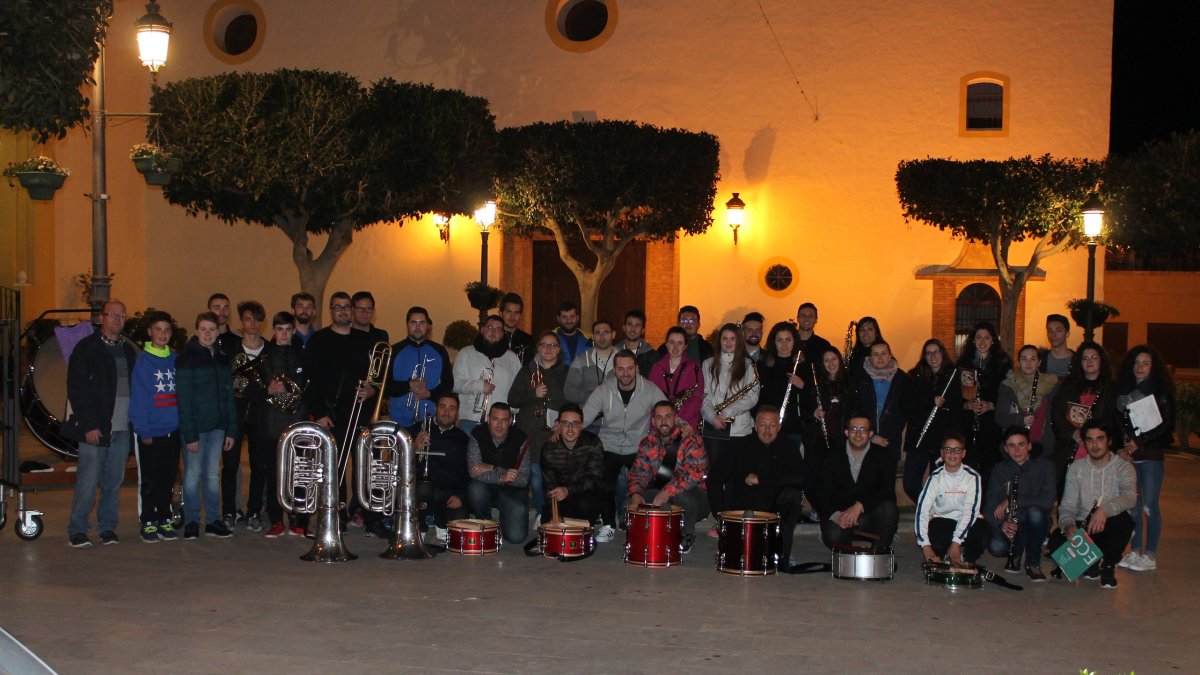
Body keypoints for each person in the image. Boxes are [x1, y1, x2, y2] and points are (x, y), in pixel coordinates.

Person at [301, 291, 383, 534]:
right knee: (333, 468)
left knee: (365, 467)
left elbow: (378, 378)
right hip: (330, 413)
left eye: (347, 307)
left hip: (360, 411)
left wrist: (372, 391)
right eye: (338, 307)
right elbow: (309, 381)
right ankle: (335, 513)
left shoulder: (365, 340)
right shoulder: (318, 340)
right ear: (330, 311)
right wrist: (319, 412)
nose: (343, 311)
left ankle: (370, 516)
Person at [63, 300, 139, 548]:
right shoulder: (86, 349)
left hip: (121, 427)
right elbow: (78, 389)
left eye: (122, 314)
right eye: (112, 314)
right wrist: (89, 425)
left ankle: (107, 527)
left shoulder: (128, 350)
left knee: (113, 481)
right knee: (88, 480)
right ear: (101, 318)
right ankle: (78, 529)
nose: (118, 319)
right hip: (95, 427)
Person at [582, 350, 667, 541]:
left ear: (637, 368)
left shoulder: (650, 389)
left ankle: (643, 523)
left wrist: (683, 427)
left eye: (630, 368)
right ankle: (609, 525)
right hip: (609, 445)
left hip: (638, 446)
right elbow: (584, 418)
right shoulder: (604, 390)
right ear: (614, 370)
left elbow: (666, 414)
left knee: (649, 483)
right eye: (621, 369)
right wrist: (565, 426)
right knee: (602, 481)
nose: (626, 373)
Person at [707, 407, 805, 567]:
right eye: (763, 425)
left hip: (775, 512)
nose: (767, 430)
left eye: (772, 425)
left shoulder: (788, 446)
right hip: (744, 512)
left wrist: (761, 479)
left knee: (793, 494)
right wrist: (722, 515)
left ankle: (782, 552)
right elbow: (714, 478)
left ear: (779, 427)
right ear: (755, 426)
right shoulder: (740, 446)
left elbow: (799, 477)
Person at [1050, 419, 1136, 589]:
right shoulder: (1076, 468)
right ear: (1084, 442)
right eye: (1089, 439)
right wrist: (1068, 526)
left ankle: (1109, 565)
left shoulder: (1123, 467)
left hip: (1109, 524)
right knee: (1055, 541)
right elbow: (1067, 504)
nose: (1095, 444)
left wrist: (1105, 510)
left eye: (1100, 439)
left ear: (1109, 441)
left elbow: (1130, 496)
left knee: (1125, 522)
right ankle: (1091, 564)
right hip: (1084, 528)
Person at [176, 312, 238, 540]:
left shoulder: (222, 360)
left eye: (212, 329)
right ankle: (192, 520)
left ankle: (213, 520)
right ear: (196, 331)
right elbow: (183, 399)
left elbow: (228, 397)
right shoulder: (186, 360)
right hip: (196, 430)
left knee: (212, 475)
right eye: (203, 329)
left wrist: (231, 429)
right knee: (193, 474)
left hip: (218, 428)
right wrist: (190, 434)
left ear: (218, 331)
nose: (208, 333)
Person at [1115, 345, 1175, 573]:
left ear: (1153, 367)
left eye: (1145, 363)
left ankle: (1150, 555)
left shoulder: (1160, 392)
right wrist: (1122, 447)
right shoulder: (1123, 392)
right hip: (1128, 458)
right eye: (1136, 363)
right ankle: (1135, 550)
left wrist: (1140, 442)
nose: (1140, 367)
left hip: (1150, 457)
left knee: (1150, 507)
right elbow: (1118, 425)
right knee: (1133, 507)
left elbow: (1167, 426)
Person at [627, 401, 709, 554]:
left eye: (668, 417)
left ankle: (687, 534)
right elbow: (637, 473)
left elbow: (694, 474)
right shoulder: (647, 443)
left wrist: (668, 492)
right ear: (653, 421)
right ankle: (656, 534)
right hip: (661, 491)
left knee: (684, 497)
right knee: (634, 501)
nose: (663, 422)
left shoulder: (691, 440)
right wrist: (636, 494)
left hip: (695, 496)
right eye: (659, 417)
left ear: (675, 419)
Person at [129, 311, 181, 543]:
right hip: (150, 432)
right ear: (150, 332)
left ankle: (164, 518)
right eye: (158, 330)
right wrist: (144, 429)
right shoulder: (143, 361)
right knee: (149, 479)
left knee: (167, 478)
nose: (163, 334)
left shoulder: (175, 359)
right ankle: (148, 521)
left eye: (167, 330)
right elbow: (139, 398)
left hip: (173, 430)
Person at [256, 311, 308, 537]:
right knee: (275, 473)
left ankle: (300, 521)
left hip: (298, 420)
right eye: (280, 329)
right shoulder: (265, 357)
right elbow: (253, 391)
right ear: (274, 331)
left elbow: (310, 387)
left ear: (294, 331)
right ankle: (276, 520)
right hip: (273, 422)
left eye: (288, 329)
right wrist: (268, 390)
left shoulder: (302, 355)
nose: (284, 334)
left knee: (300, 472)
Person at [508, 331, 569, 517]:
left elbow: (572, 403)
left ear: (559, 349)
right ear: (538, 348)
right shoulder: (528, 370)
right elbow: (512, 399)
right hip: (531, 432)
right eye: (544, 345)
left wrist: (562, 422)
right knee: (535, 477)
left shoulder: (567, 372)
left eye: (553, 345)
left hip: (554, 432)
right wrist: (532, 394)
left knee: (551, 476)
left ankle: (554, 512)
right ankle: (543, 512)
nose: (549, 348)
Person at [983, 427, 1056, 581]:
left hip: (1036, 521)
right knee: (997, 547)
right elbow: (989, 505)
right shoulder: (999, 469)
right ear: (1005, 448)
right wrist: (1001, 524)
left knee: (1035, 513)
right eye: (1011, 445)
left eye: (1021, 444)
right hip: (1011, 521)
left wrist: (1013, 500)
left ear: (1029, 446)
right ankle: (1015, 552)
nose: (1017, 450)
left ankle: (1033, 562)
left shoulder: (1046, 467)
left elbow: (1047, 502)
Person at [815, 415, 898, 549]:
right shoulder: (832, 455)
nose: (858, 434)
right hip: (840, 513)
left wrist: (860, 505)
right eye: (854, 429)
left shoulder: (883, 455)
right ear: (846, 432)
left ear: (870, 434)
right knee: (833, 537)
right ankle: (850, 556)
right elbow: (822, 492)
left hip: (867, 514)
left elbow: (886, 490)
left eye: (863, 430)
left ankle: (878, 553)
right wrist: (837, 516)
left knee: (889, 509)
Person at [1049, 341, 1117, 498]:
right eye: (1085, 358)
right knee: (1068, 499)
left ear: (1101, 360)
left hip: (1099, 452)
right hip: (1071, 451)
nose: (1089, 361)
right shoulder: (1068, 386)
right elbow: (1056, 415)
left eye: (1094, 357)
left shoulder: (1111, 389)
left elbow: (1115, 421)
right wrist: (1071, 433)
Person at [223, 300, 269, 531]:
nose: (253, 323)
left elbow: (271, 386)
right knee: (230, 465)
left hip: (261, 416)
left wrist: (252, 389)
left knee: (258, 465)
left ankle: (254, 511)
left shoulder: (269, 350)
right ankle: (229, 510)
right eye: (248, 319)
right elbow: (227, 382)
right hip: (235, 414)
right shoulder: (231, 350)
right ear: (241, 322)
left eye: (257, 319)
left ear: (263, 322)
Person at [914, 431, 988, 566]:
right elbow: (922, 510)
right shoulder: (935, 478)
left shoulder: (973, 477)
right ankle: (943, 556)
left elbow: (969, 512)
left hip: (966, 520)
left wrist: (956, 542)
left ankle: (966, 558)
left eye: (957, 450)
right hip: (943, 519)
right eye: (948, 449)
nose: (952, 454)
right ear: (942, 454)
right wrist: (925, 545)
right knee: (937, 541)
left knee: (982, 534)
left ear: (964, 453)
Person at [902, 339, 959, 505]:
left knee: (939, 486)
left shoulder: (954, 376)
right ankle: (930, 508)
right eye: (929, 353)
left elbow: (956, 408)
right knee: (910, 484)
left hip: (941, 440)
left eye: (936, 352)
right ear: (924, 356)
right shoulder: (913, 376)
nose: (933, 356)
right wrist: (930, 401)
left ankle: (934, 516)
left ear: (943, 354)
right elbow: (906, 405)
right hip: (918, 438)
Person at [466, 403, 531, 545]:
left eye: (504, 420)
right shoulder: (477, 434)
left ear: (510, 421)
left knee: (516, 537)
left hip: (514, 491)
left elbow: (523, 479)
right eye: (495, 419)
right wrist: (502, 476)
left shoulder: (521, 439)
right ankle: (486, 525)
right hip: (487, 488)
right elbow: (474, 471)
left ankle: (506, 519)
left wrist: (493, 468)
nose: (499, 424)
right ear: (488, 419)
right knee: (475, 489)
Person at [955, 321, 1012, 482]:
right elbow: (954, 396)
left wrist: (991, 405)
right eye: (978, 337)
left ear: (993, 340)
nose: (982, 342)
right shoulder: (962, 364)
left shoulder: (1003, 364)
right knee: (969, 471)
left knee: (990, 470)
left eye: (987, 338)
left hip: (991, 424)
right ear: (973, 340)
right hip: (968, 425)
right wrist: (966, 404)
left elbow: (1008, 395)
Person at [700, 323, 760, 469]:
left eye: (732, 339)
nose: (728, 343)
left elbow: (752, 397)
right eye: (724, 338)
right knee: (714, 475)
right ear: (719, 341)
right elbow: (704, 396)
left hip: (740, 429)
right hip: (713, 428)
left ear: (738, 341)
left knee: (736, 476)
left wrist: (727, 412)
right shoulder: (707, 364)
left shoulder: (749, 365)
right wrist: (712, 417)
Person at [412, 393, 470, 543]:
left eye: (452, 408)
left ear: (457, 413)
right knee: (423, 489)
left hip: (448, 491)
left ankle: (439, 519)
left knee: (459, 526)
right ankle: (421, 525)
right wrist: (414, 448)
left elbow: (467, 472)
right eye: (442, 407)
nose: (446, 412)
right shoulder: (419, 429)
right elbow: (400, 459)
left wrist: (460, 495)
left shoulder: (463, 439)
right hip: (422, 489)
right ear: (436, 409)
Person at [802, 347, 857, 502]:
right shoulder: (816, 384)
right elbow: (804, 410)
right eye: (826, 360)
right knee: (812, 478)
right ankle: (820, 508)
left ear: (839, 360)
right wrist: (813, 413)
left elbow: (856, 410)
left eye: (834, 359)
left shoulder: (851, 383)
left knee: (838, 478)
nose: (831, 363)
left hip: (843, 439)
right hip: (819, 439)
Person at [537, 403, 605, 528]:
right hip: (560, 497)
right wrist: (554, 514)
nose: (570, 429)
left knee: (586, 505)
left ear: (582, 425)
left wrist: (569, 490)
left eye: (575, 424)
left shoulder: (592, 443)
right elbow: (549, 484)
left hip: (584, 494)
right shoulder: (549, 448)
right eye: (565, 423)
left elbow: (595, 479)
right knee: (549, 524)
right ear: (558, 425)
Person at [453, 315, 523, 433]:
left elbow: (519, 389)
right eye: (490, 327)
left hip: (501, 422)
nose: (493, 331)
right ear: (482, 329)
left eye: (498, 329)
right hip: (470, 420)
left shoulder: (512, 358)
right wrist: (479, 386)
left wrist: (512, 412)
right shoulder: (466, 353)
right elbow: (455, 383)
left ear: (502, 334)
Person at [386, 306, 453, 428]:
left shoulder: (440, 351)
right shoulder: (393, 351)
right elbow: (385, 386)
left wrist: (429, 394)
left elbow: (448, 384)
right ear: (407, 325)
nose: (417, 327)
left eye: (422, 323)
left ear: (428, 325)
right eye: (413, 322)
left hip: (431, 422)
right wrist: (408, 385)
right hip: (399, 422)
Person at [995, 344, 1058, 458]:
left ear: (1039, 363)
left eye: (1033, 359)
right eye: (1024, 359)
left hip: (1041, 445)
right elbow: (1000, 417)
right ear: (1018, 362)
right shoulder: (1008, 385)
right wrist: (1021, 420)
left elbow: (1054, 417)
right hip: (1015, 447)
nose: (1028, 363)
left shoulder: (1050, 384)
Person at [853, 341, 909, 464]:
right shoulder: (861, 378)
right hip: (864, 439)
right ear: (870, 358)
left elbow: (904, 411)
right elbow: (856, 409)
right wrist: (871, 436)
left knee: (887, 481)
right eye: (875, 354)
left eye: (884, 354)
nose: (880, 358)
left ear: (890, 356)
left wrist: (888, 437)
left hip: (890, 440)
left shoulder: (902, 378)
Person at [756, 321, 805, 446]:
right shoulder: (763, 365)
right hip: (767, 427)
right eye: (780, 340)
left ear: (794, 341)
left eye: (788, 340)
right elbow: (757, 397)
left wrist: (802, 386)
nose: (784, 344)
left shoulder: (802, 366)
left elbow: (811, 399)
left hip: (792, 427)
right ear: (774, 342)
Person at [648, 326, 704, 430]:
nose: (675, 347)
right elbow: (650, 397)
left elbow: (696, 399)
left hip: (685, 424)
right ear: (666, 344)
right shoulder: (656, 368)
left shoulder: (694, 368)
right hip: (660, 424)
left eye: (680, 343)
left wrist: (678, 419)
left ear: (686, 346)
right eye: (672, 342)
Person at [564, 319, 617, 406]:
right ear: (592, 336)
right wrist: (591, 395)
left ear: (613, 334)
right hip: (589, 416)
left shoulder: (625, 359)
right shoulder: (580, 361)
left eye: (606, 332)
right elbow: (569, 392)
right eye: (598, 333)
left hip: (617, 416)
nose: (602, 336)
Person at [498, 292, 535, 366]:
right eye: (509, 312)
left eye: (516, 313)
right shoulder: (494, 338)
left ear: (521, 315)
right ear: (500, 313)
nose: (512, 317)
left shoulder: (528, 341)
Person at [619, 309, 658, 377]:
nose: (633, 329)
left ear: (643, 330)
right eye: (630, 324)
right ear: (624, 328)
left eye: (637, 325)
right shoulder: (614, 352)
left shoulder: (652, 356)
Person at [795, 302, 834, 367]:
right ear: (798, 319)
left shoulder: (824, 345)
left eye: (810, 316)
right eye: (803, 315)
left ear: (816, 320)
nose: (806, 319)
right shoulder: (787, 342)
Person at [554, 301, 590, 366]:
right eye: (565, 317)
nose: (569, 321)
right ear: (558, 318)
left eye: (572, 316)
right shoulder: (549, 339)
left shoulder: (589, 340)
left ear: (577, 318)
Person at [207, 293, 241, 360]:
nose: (222, 312)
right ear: (208, 311)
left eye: (226, 308)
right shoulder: (197, 339)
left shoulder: (239, 340)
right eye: (217, 308)